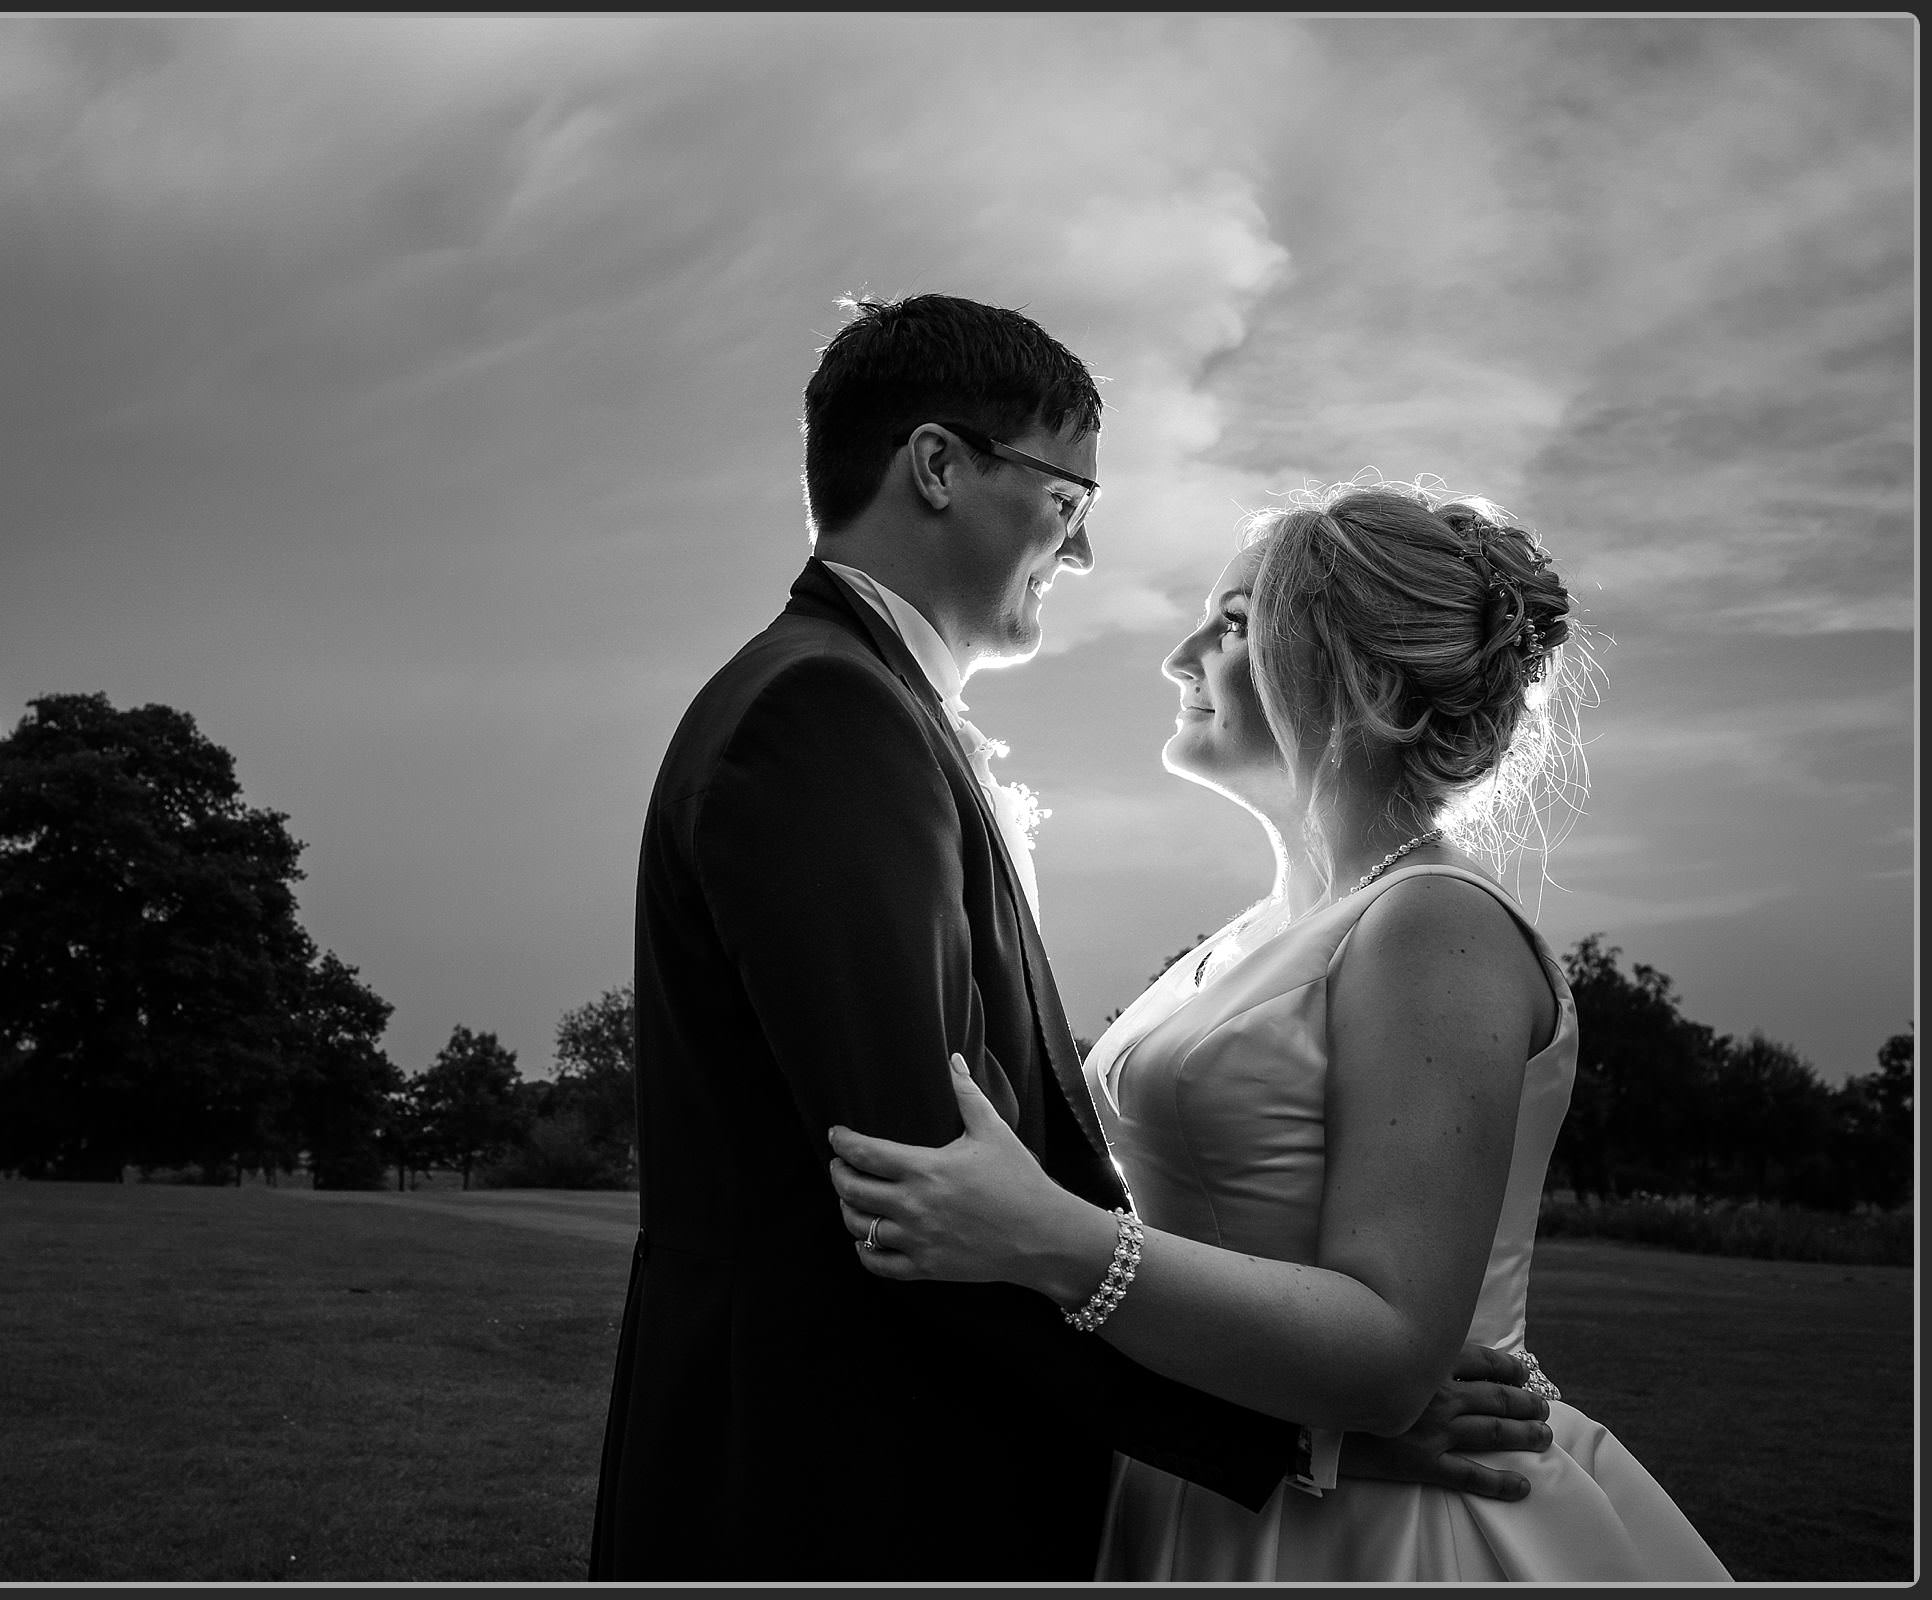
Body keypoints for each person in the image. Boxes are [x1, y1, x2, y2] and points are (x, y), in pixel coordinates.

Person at [589, 299, 1550, 1582]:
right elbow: (929, 1201)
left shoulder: (850, 706)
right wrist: (1306, 1432)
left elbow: (994, 1205)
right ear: (937, 467)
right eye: (1065, 495)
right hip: (843, 1497)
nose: (1086, 547)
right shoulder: (829, 713)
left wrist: (1326, 1403)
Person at [826, 477, 1733, 1582]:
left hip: (1381, 1540)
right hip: (1217, 1491)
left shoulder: (1433, 926)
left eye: (1235, 624)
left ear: (1358, 675)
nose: (1180, 656)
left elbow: (1394, 1355)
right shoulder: (1262, 932)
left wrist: (1047, 1237)